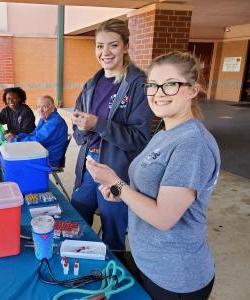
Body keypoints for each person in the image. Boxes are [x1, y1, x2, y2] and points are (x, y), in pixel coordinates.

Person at [86, 51, 220, 299]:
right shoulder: (163, 134)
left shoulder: (193, 144)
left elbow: (163, 217)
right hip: (147, 261)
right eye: (153, 85)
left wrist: (117, 183)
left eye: (170, 85)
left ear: (193, 90)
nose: (158, 93)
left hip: (174, 277)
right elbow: (150, 195)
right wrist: (121, 194)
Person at [71, 19, 153, 250]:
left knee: (113, 230)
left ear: (126, 46)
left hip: (118, 169)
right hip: (88, 165)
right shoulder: (91, 85)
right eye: (99, 46)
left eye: (113, 45)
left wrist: (98, 123)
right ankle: (81, 266)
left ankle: (113, 279)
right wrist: (81, 127)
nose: (105, 52)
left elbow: (138, 138)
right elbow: (79, 137)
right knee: (76, 217)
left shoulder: (138, 84)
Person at [5, 95, 68, 167]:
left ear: (53, 108)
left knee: (14, 161)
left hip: (49, 159)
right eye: (38, 107)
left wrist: (15, 140)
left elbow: (37, 140)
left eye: (44, 107)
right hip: (41, 153)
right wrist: (17, 136)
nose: (40, 110)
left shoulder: (54, 122)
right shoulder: (44, 118)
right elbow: (34, 134)